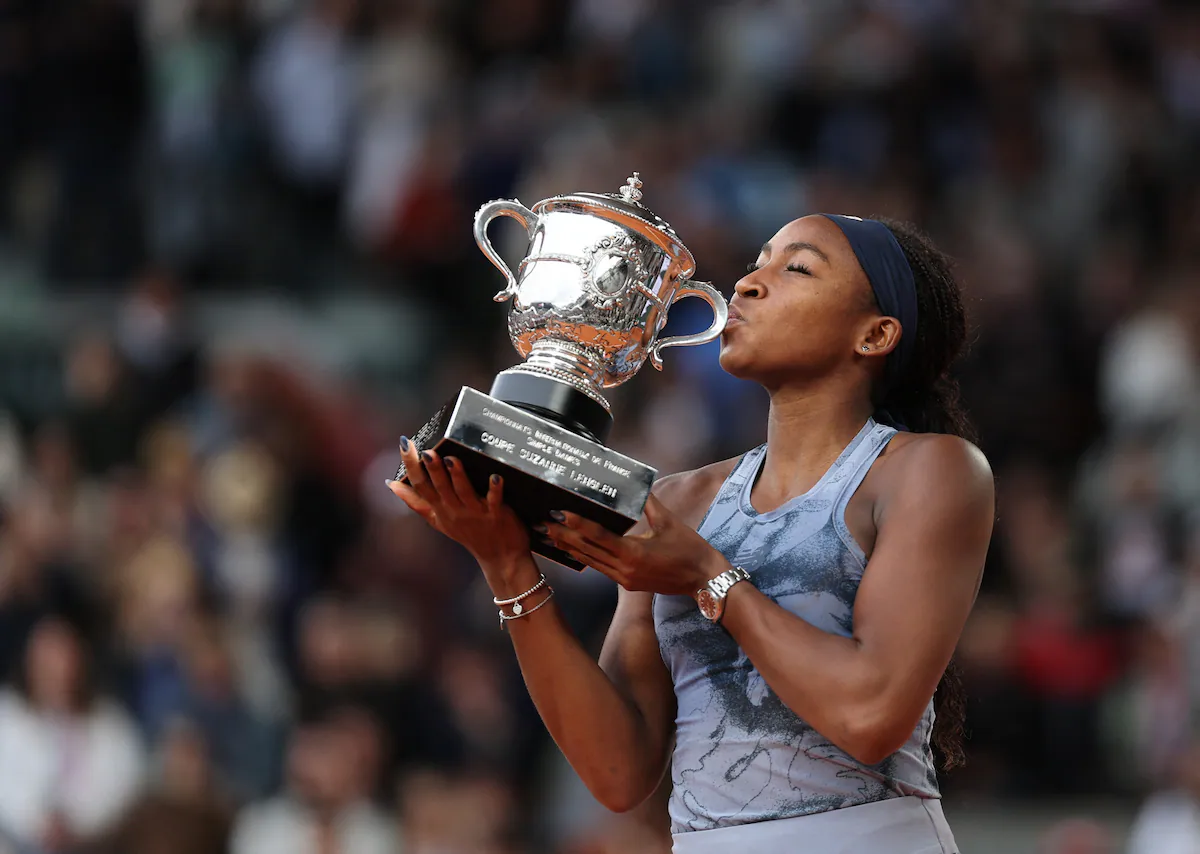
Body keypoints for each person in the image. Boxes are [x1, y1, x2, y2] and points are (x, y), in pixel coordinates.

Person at [388, 214, 994, 853]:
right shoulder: (680, 501)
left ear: (875, 335)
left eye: (796, 267)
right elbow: (619, 772)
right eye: (756, 262)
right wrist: (506, 563)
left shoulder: (931, 469)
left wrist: (709, 576)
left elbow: (870, 718)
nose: (748, 284)